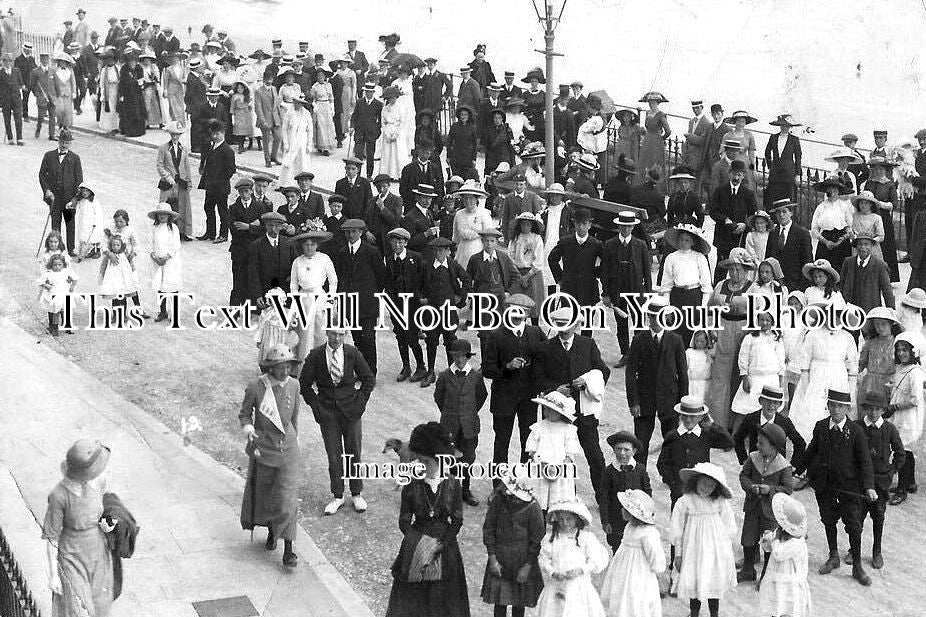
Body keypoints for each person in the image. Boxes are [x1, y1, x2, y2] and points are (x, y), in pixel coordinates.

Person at [793, 388, 877, 586]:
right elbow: (811, 450)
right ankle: (833, 556)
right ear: (827, 405)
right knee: (828, 520)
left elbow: (865, 462)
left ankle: (857, 566)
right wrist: (797, 469)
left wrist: (869, 487)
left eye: (840, 406)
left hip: (849, 488)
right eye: (832, 405)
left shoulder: (856, 431)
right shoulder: (821, 427)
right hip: (825, 486)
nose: (836, 409)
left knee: (854, 526)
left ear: (847, 408)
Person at [385, 422, 469, 617]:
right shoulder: (411, 486)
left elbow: (457, 521)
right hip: (416, 550)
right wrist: (420, 544)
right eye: (419, 461)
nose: (421, 466)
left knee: (443, 603)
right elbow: (404, 521)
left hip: (445, 551)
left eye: (427, 462)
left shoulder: (453, 484)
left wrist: (440, 544)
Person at [300, 327, 376, 515]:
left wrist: (360, 402)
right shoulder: (316, 355)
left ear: (345, 335)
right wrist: (317, 406)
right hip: (328, 413)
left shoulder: (352, 353)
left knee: (354, 451)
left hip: (351, 411)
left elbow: (368, 379)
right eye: (333, 333)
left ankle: (357, 494)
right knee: (334, 455)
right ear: (327, 333)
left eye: (341, 334)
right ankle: (338, 495)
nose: (337, 338)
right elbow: (304, 384)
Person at [239, 344, 302, 567]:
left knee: (287, 499)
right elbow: (245, 414)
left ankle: (288, 548)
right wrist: (247, 428)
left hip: (288, 450)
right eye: (280, 367)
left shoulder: (294, 385)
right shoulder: (256, 387)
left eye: (288, 366)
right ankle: (271, 531)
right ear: (270, 368)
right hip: (264, 448)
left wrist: (296, 441)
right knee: (267, 495)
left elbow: (294, 418)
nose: (285, 371)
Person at [540, 307, 610, 506]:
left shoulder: (587, 345)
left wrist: (587, 382)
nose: (563, 330)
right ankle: (565, 497)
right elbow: (537, 379)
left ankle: (602, 498)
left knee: (594, 455)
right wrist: (555, 389)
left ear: (576, 325)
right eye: (559, 325)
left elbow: (603, 371)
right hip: (558, 413)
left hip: (584, 412)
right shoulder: (546, 348)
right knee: (560, 457)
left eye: (567, 326)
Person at [43, 439, 116, 616]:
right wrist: (53, 575)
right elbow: (52, 537)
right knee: (78, 608)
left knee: (101, 604)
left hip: (98, 552)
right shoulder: (59, 495)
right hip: (71, 556)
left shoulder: (100, 481)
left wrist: (109, 526)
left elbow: (106, 507)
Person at [625, 295, 689, 466]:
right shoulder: (639, 340)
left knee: (673, 443)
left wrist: (683, 405)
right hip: (644, 401)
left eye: (659, 316)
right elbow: (630, 373)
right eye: (652, 316)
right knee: (640, 444)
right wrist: (634, 402)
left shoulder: (676, 340)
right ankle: (638, 479)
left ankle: (672, 477)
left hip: (669, 401)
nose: (655, 320)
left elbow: (683, 376)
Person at [669, 462, 737, 617]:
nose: (706, 489)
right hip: (693, 548)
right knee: (695, 579)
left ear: (716, 488)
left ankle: (714, 613)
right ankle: (694, 612)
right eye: (703, 484)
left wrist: (725, 549)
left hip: (714, 549)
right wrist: (678, 554)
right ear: (696, 480)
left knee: (713, 579)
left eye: (711, 486)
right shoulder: (685, 501)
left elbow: (728, 525)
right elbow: (677, 528)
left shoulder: (719, 501)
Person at [480, 464, 545, 617]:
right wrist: (492, 559)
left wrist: (527, 566)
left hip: (522, 561)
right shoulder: (498, 501)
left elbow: (536, 539)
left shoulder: (533, 507)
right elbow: (488, 529)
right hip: (500, 558)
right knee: (500, 603)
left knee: (519, 603)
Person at [736, 423, 794, 583]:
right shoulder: (753, 457)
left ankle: (766, 576)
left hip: (771, 512)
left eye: (761, 443)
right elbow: (744, 476)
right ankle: (748, 569)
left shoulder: (783, 466)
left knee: (769, 542)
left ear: (774, 446)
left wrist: (770, 490)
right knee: (748, 538)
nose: (757, 445)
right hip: (753, 507)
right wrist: (750, 487)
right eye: (758, 442)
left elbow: (788, 489)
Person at [433, 338, 488, 506]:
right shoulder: (444, 376)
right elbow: (439, 397)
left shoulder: (476, 377)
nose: (459, 359)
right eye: (456, 356)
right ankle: (450, 490)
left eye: (463, 356)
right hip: (449, 425)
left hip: (469, 426)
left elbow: (481, 397)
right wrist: (450, 414)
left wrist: (468, 413)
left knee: (468, 458)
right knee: (450, 458)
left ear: (468, 357)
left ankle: (465, 490)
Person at [855, 390, 905, 568]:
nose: (873, 413)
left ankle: (877, 551)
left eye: (878, 409)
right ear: (865, 409)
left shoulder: (889, 429)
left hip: (881, 482)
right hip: (860, 481)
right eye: (870, 408)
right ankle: (854, 550)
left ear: (884, 410)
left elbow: (900, 454)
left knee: (878, 517)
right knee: (856, 517)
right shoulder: (857, 426)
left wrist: (890, 473)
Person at [534, 498, 608, 617]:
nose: (564, 522)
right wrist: (552, 572)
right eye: (561, 519)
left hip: (579, 586)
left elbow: (595, 559)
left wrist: (581, 570)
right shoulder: (551, 539)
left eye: (568, 519)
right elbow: (543, 559)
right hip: (556, 585)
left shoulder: (585, 538)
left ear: (576, 519)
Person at [599, 489, 664, 617]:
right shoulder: (629, 526)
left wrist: (657, 569)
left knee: (636, 600)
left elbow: (655, 557)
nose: (621, 510)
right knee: (622, 597)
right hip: (622, 571)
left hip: (639, 573)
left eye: (624, 508)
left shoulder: (648, 533)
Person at [601, 211, 651, 367]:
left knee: (639, 325)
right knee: (621, 325)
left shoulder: (641, 245)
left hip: (636, 290)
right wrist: (606, 293)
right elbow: (605, 271)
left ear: (633, 227)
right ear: (618, 226)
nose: (626, 229)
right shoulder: (609, 245)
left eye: (629, 226)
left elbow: (647, 272)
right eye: (623, 226)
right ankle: (625, 354)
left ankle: (639, 355)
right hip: (617, 291)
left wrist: (648, 294)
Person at [335, 219, 386, 374]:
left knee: (369, 339)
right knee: (357, 339)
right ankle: (362, 371)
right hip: (350, 304)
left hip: (368, 303)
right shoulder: (342, 252)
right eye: (348, 232)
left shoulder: (371, 251)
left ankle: (371, 372)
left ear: (361, 232)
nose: (350, 235)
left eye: (354, 232)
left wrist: (371, 293)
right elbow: (340, 276)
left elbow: (381, 276)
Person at [420, 236, 471, 387]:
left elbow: (467, 278)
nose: (438, 253)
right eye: (435, 251)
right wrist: (422, 298)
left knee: (450, 341)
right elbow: (418, 284)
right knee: (431, 341)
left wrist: (461, 296)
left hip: (448, 310)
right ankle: (430, 372)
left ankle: (453, 371)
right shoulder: (427, 266)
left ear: (448, 251)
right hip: (432, 311)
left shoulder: (453, 265)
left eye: (441, 250)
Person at [289, 229, 337, 373]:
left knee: (320, 334)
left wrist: (330, 300)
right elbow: (293, 284)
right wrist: (296, 303)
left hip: (320, 299)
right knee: (305, 335)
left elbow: (333, 280)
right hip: (304, 300)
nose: (309, 247)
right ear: (302, 246)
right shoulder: (298, 262)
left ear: (317, 245)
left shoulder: (324, 259)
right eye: (306, 245)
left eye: (312, 244)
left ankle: (322, 370)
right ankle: (304, 370)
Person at [729, 311, 785, 433]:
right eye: (762, 320)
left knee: (770, 411)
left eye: (768, 320)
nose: (764, 323)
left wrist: (780, 383)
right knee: (744, 411)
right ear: (757, 321)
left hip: (771, 380)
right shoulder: (750, 338)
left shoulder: (777, 339)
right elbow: (743, 358)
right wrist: (745, 378)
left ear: (773, 322)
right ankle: (733, 439)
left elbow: (781, 362)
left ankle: (768, 438)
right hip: (754, 379)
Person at [886, 332, 925, 505]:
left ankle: (902, 489)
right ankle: (910, 482)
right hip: (900, 415)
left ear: (913, 351)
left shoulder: (915, 372)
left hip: (908, 416)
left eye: (905, 350)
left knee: (903, 450)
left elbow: (915, 399)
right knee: (905, 449)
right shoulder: (901, 369)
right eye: (899, 350)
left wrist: (894, 406)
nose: (901, 353)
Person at [758, 494, 812, 617]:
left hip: (790, 586)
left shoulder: (797, 543)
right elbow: (768, 548)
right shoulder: (781, 535)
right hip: (777, 581)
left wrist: (775, 540)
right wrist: (767, 539)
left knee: (787, 610)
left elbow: (778, 553)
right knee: (775, 608)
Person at [659, 224, 712, 347]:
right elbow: (666, 285)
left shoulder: (699, 258)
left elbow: (706, 286)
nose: (683, 243)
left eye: (687, 240)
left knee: (693, 328)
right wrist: (667, 307)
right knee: (676, 330)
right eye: (681, 239)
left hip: (694, 297)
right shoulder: (671, 258)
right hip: (677, 297)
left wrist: (703, 308)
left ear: (692, 242)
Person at [383, 227, 426, 382]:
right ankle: (406, 366)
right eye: (394, 241)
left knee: (412, 336)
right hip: (396, 304)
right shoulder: (388, 259)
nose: (397, 244)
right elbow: (387, 281)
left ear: (406, 242)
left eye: (400, 241)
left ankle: (421, 367)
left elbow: (422, 281)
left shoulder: (416, 258)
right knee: (400, 335)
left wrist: (420, 300)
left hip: (412, 304)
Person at [547, 208, 603, 327]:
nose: (581, 227)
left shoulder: (596, 244)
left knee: (587, 325)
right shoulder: (565, 241)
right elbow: (552, 259)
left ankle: (585, 345)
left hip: (589, 290)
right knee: (565, 322)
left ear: (589, 225)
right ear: (574, 223)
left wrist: (596, 273)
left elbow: (606, 262)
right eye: (578, 223)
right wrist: (560, 278)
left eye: (584, 223)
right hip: (569, 288)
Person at [599, 432, 652, 553]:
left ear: (633, 451)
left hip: (636, 517)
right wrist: (605, 521)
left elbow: (647, 492)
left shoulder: (640, 469)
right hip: (616, 518)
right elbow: (604, 497)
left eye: (626, 450)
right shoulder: (609, 471)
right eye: (618, 449)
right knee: (617, 546)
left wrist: (646, 515)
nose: (622, 453)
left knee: (636, 547)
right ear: (613, 449)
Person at [732, 385, 806, 468]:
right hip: (755, 467)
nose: (771, 406)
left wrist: (792, 466)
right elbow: (738, 438)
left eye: (775, 402)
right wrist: (744, 460)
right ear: (760, 401)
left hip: (777, 469)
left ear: (780, 404)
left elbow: (800, 443)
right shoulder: (751, 418)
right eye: (768, 401)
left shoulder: (785, 422)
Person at [710, 159, 757, 283]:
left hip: (740, 237)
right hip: (723, 236)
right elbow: (713, 211)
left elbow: (754, 215)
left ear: (743, 176)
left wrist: (745, 225)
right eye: (734, 174)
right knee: (721, 267)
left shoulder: (749, 194)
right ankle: (717, 291)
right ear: (729, 173)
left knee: (739, 267)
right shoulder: (720, 191)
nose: (736, 177)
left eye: (739, 175)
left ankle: (738, 293)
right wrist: (725, 219)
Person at [228, 178, 271, 306]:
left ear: (251, 191)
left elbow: (265, 229)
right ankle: (234, 310)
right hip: (239, 250)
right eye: (241, 192)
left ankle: (253, 306)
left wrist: (248, 227)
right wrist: (253, 225)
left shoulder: (260, 207)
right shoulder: (233, 208)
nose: (244, 194)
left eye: (246, 191)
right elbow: (234, 229)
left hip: (255, 250)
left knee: (253, 278)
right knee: (238, 280)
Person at [39, 129, 83, 254]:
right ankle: (56, 249)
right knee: (55, 224)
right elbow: (42, 175)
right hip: (54, 198)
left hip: (69, 199)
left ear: (70, 144)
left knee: (70, 225)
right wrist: (47, 190)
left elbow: (79, 180)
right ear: (58, 141)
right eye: (62, 142)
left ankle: (70, 249)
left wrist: (75, 198)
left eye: (67, 143)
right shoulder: (49, 155)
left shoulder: (75, 158)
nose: (64, 145)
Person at [861, 157, 900, 281]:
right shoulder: (869, 183)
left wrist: (880, 204)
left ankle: (887, 276)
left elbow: (894, 204)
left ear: (886, 170)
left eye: (881, 169)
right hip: (869, 216)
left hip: (883, 218)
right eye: (876, 168)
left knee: (885, 245)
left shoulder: (889, 185)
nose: (878, 171)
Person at [197, 119, 236, 243]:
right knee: (208, 208)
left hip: (220, 187)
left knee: (222, 211)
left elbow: (231, 170)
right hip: (210, 186)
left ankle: (223, 234)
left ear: (223, 133)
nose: (214, 136)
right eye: (213, 133)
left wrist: (219, 181)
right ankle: (210, 232)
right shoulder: (212, 146)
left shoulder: (227, 150)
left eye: (217, 134)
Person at [765, 198, 813, 292]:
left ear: (791, 213)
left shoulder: (802, 233)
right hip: (776, 284)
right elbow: (768, 259)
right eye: (778, 212)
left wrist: (803, 287)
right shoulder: (773, 233)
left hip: (795, 284)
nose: (781, 215)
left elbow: (807, 261)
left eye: (784, 211)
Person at [840, 233, 894, 317]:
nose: (863, 247)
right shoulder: (848, 262)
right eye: (860, 244)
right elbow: (841, 284)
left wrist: (891, 312)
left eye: (866, 244)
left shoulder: (879, 265)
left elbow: (887, 290)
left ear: (872, 246)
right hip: (850, 310)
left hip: (871, 312)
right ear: (856, 246)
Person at [156, 121, 194, 241]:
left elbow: (186, 165)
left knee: (183, 206)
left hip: (181, 181)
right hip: (168, 183)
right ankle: (166, 232)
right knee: (167, 206)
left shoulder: (183, 148)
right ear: (170, 134)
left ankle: (183, 232)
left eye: (178, 134)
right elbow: (160, 165)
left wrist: (189, 180)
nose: (175, 137)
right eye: (173, 134)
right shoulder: (163, 148)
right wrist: (168, 178)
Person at [248, 212, 293, 307]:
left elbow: (294, 266)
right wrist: (258, 295)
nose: (273, 229)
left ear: (281, 226)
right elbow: (253, 272)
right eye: (270, 226)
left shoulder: (288, 243)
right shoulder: (256, 245)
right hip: (265, 293)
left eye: (277, 226)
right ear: (265, 226)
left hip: (285, 293)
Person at [148, 203, 183, 322]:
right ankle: (163, 311)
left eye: (165, 214)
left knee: (172, 286)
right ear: (157, 216)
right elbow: (150, 243)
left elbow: (176, 245)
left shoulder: (173, 228)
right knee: (160, 286)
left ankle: (175, 312)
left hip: (171, 262)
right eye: (160, 214)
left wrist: (167, 257)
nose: (162, 216)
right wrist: (155, 257)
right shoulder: (153, 229)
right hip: (157, 262)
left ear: (169, 216)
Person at [508, 213, 546, 320]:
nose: (525, 227)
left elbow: (538, 260)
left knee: (533, 305)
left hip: (532, 274)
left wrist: (527, 276)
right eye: (523, 224)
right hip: (517, 273)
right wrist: (518, 274)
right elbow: (510, 256)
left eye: (528, 225)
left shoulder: (537, 239)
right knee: (517, 303)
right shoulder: (515, 239)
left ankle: (535, 327)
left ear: (532, 226)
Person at [810, 176, 853, 266]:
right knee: (823, 267)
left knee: (841, 267)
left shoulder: (845, 206)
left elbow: (849, 227)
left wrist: (842, 239)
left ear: (839, 191)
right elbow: (814, 228)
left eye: (835, 190)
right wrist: (825, 241)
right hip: (825, 240)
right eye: (830, 190)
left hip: (842, 241)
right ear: (827, 191)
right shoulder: (821, 207)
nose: (833, 193)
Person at [764, 114, 803, 207]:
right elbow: (767, 152)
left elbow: (798, 157)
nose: (784, 128)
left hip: (788, 174)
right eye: (782, 125)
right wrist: (770, 166)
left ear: (790, 127)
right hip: (775, 174)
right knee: (773, 198)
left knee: (788, 199)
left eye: (786, 126)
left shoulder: (794, 139)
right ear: (779, 126)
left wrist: (797, 174)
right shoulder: (773, 137)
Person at [637, 91, 671, 191]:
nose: (651, 104)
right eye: (650, 102)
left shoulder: (661, 115)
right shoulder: (648, 113)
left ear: (658, 103)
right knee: (644, 162)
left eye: (653, 102)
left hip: (656, 141)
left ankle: (658, 188)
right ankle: (642, 185)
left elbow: (668, 131)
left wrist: (661, 138)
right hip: (647, 139)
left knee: (655, 162)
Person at [37, 253, 77, 336]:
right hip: (54, 294)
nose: (57, 267)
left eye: (59, 264)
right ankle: (55, 328)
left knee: (66, 310)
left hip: (65, 293)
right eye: (54, 265)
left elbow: (75, 278)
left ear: (63, 264)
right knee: (56, 312)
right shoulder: (48, 273)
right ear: (51, 264)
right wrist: (46, 286)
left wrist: (72, 286)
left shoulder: (66, 271)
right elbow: (40, 281)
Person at [279, 95, 313, 187]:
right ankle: (285, 184)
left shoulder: (306, 114)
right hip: (291, 141)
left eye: (299, 103)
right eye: (296, 102)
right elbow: (284, 128)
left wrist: (309, 144)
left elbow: (310, 130)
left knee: (302, 162)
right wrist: (286, 143)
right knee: (288, 162)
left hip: (302, 141)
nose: (297, 105)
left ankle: (302, 183)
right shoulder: (289, 113)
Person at [350, 82, 382, 178]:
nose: (368, 94)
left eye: (370, 92)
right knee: (358, 154)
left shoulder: (378, 104)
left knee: (370, 155)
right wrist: (352, 127)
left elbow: (381, 120)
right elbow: (354, 116)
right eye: (367, 92)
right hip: (359, 132)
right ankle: (357, 175)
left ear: (373, 92)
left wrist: (377, 131)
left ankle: (369, 175)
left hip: (371, 133)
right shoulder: (359, 102)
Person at [254, 70, 282, 168]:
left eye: (271, 79)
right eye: (267, 79)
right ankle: (267, 159)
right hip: (265, 118)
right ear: (264, 79)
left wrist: (279, 117)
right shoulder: (259, 91)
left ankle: (274, 156)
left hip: (275, 118)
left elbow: (277, 104)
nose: (269, 81)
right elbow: (258, 107)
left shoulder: (274, 89)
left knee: (278, 138)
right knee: (266, 140)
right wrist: (262, 120)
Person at [380, 86, 409, 180]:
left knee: (398, 153)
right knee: (388, 153)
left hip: (397, 130)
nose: (392, 99)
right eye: (389, 98)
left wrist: (396, 134)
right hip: (388, 130)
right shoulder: (385, 108)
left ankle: (399, 175)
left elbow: (403, 121)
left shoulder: (400, 107)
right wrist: (386, 133)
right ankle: (388, 175)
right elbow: (383, 122)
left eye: (393, 97)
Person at [116, 52, 146, 137]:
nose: (132, 63)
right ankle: (129, 131)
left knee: (138, 112)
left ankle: (139, 131)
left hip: (137, 94)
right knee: (129, 113)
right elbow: (121, 83)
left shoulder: (139, 68)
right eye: (130, 61)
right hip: (127, 94)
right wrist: (121, 95)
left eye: (134, 61)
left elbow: (142, 80)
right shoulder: (124, 69)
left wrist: (141, 84)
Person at [310, 67, 336, 156]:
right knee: (321, 126)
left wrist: (332, 107)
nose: (321, 77)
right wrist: (315, 106)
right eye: (319, 76)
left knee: (328, 126)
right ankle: (322, 147)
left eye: (322, 75)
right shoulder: (314, 86)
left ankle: (328, 146)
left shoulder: (329, 85)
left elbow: (331, 97)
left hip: (327, 105)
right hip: (319, 106)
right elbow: (312, 99)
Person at [30, 52, 56, 139]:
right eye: (43, 59)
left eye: (46, 59)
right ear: (40, 60)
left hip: (52, 97)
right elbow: (32, 85)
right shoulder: (35, 72)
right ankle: (38, 129)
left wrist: (56, 95)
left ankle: (51, 134)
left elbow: (56, 84)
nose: (45, 61)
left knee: (52, 116)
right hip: (41, 97)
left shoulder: (53, 71)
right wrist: (37, 95)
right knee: (41, 116)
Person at [0, 51, 24, 145]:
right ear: (3, 62)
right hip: (6, 100)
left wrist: (22, 87)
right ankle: (10, 138)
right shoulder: (0, 73)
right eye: (6, 61)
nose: (8, 63)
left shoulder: (16, 71)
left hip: (16, 98)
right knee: (7, 119)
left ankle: (20, 138)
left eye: (10, 61)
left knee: (18, 118)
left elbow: (21, 83)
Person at [52, 51, 77, 131]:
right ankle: (60, 125)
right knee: (59, 110)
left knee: (67, 110)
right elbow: (53, 83)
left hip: (68, 93)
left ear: (66, 63)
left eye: (64, 62)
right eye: (61, 61)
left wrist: (74, 92)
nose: (62, 63)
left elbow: (73, 82)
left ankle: (66, 127)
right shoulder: (55, 71)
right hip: (58, 94)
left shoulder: (70, 71)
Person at [687, 330, 714, 401]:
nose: (699, 343)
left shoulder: (710, 354)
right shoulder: (689, 352)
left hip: (704, 385)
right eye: (696, 341)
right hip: (691, 384)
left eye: (702, 341)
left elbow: (711, 368)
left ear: (706, 341)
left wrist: (708, 354)